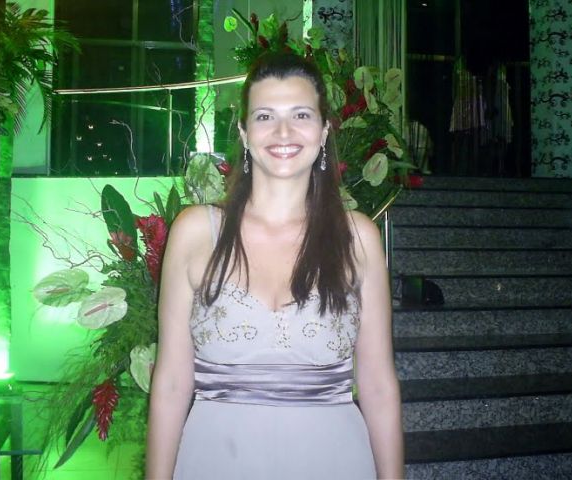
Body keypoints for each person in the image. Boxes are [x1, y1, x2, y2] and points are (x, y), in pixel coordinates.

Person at [146, 52, 404, 480]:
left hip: (334, 462)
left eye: (301, 115)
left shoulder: (358, 238)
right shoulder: (195, 232)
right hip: (214, 462)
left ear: (324, 131)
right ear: (244, 133)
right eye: (265, 116)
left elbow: (378, 385)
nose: (283, 132)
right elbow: (171, 382)